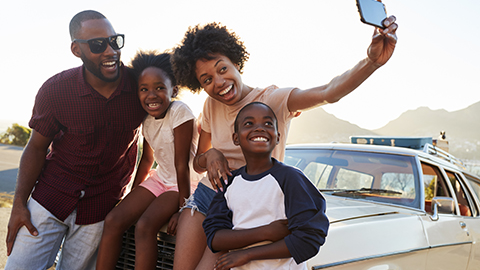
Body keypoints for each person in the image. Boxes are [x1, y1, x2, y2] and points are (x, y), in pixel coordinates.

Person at [170, 17, 397, 269]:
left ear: (236, 62)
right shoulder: (211, 105)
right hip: (207, 196)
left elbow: (329, 92)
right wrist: (211, 155)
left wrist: (372, 62)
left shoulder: (272, 100)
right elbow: (199, 163)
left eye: (222, 69)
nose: (218, 82)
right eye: (207, 79)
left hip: (247, 207)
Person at [5, 10, 146, 270]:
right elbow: (36, 148)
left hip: (101, 207)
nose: (110, 51)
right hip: (49, 198)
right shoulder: (56, 90)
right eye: (97, 44)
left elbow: (154, 142)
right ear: (76, 50)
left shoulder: (141, 87)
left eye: (115, 41)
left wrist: (135, 195)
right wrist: (18, 206)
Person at [96, 51, 201, 269]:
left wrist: (183, 210)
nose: (151, 95)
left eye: (159, 88)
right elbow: (147, 160)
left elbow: (182, 166)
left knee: (144, 226)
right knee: (113, 221)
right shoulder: (147, 119)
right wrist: (132, 196)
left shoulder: (180, 112)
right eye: (144, 89)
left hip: (184, 184)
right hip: (160, 178)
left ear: (173, 88)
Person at [203, 102, 329, 270]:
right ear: (236, 138)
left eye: (268, 123)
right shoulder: (230, 183)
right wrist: (265, 232)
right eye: (249, 123)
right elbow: (214, 238)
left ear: (277, 136)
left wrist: (247, 254)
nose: (260, 128)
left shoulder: (291, 178)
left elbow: (309, 239)